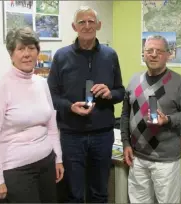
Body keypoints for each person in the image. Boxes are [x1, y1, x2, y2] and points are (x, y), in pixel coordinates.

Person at [47, 6, 125, 203]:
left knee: (99, 192)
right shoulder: (61, 56)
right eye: (82, 22)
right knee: (74, 193)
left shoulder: (110, 55)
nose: (87, 25)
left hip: (103, 135)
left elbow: (120, 91)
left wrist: (110, 93)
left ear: (99, 25)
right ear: (74, 26)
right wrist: (69, 106)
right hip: (72, 136)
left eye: (91, 21)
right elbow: (51, 95)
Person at [120, 35, 181, 203]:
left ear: (168, 55)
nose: (153, 54)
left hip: (165, 160)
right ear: (143, 54)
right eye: (149, 50)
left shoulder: (178, 83)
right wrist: (126, 143)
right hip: (137, 157)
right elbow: (126, 115)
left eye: (159, 51)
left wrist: (167, 119)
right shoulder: (134, 80)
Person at [0, 27, 64, 203]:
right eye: (20, 48)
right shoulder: (2, 87)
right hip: (16, 169)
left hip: (46, 162)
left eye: (31, 48)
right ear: (11, 54)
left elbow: (51, 126)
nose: (26, 54)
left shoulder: (42, 83)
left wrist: (58, 158)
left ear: (37, 52)